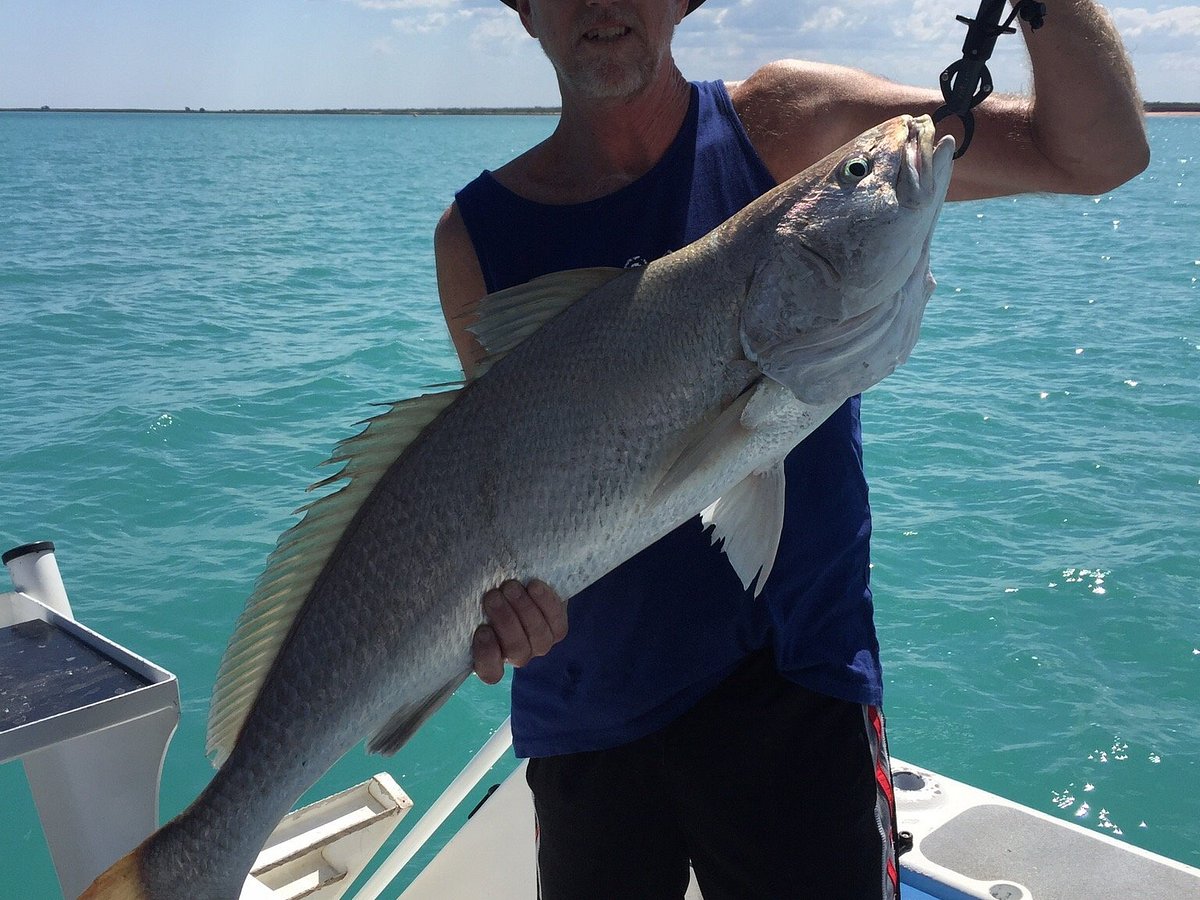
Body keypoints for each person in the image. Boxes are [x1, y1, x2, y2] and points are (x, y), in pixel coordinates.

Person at [434, 1, 1147, 897]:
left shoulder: (789, 125)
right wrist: (498, 618)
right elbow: (492, 497)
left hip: (796, 691)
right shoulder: (475, 236)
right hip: (584, 716)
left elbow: (1099, 155)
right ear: (526, 11)